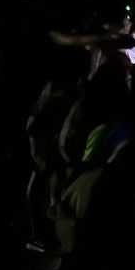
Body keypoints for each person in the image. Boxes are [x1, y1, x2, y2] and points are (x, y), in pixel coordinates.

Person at [25, 47, 91, 253]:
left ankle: (47, 232)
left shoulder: (64, 86)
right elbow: (34, 125)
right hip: (45, 143)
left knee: (50, 185)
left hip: (50, 142)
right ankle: (38, 235)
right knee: (40, 183)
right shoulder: (59, 90)